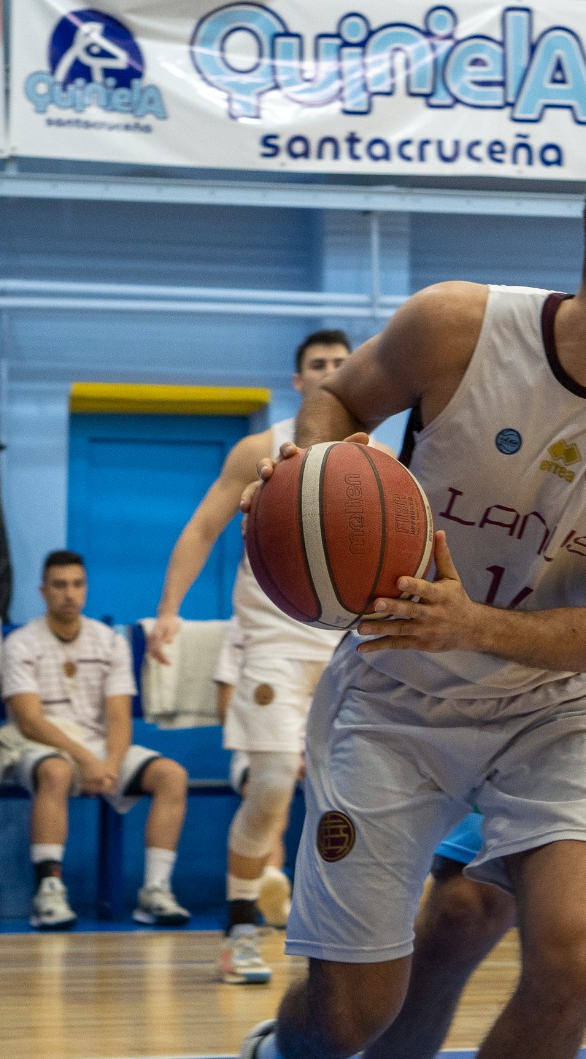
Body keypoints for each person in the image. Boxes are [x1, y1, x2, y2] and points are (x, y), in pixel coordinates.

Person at [233, 145, 586, 1059]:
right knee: (351, 1018)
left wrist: (472, 622)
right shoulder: (457, 327)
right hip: (396, 698)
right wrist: (304, 477)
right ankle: (275, 1053)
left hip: (559, 710)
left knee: (578, 955)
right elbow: (339, 401)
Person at [148, 330, 349, 983]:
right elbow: (204, 526)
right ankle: (239, 934)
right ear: (297, 380)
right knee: (268, 786)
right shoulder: (259, 448)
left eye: (341, 363)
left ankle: (340, 934)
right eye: (317, 364)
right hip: (271, 639)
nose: (329, 372)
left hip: (350, 642)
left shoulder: (378, 455)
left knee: (352, 798)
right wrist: (170, 610)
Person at [0, 551, 192, 930]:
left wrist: (111, 765)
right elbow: (30, 721)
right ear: (43, 591)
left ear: (85, 589)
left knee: (172, 776)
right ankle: (49, 891)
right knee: (55, 772)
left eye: (77, 584)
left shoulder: (109, 641)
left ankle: (155, 891)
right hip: (37, 746)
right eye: (59, 585)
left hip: (99, 748)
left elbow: (119, 716)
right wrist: (86, 760)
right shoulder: (20, 643)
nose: (69, 593)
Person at [213, 618, 292, 929]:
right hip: (259, 743)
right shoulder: (243, 626)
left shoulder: (336, 619)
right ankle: (270, 881)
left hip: (324, 742)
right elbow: (225, 707)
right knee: (273, 789)